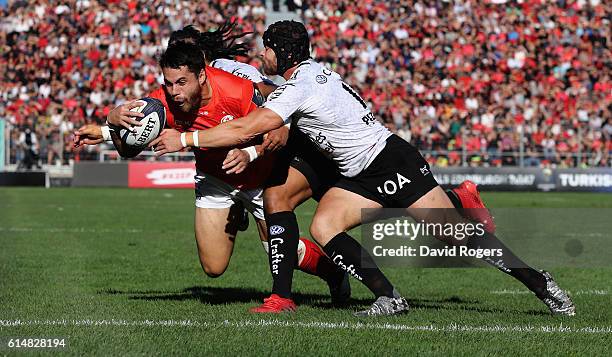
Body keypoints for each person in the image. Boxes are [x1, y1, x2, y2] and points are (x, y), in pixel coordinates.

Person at [151, 21, 575, 317]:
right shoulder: (308, 76)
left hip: (392, 162)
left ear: (281, 53)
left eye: (266, 49)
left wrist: (186, 140)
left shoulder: (297, 88)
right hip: (358, 172)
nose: (262, 55)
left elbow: (253, 125)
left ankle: (541, 284)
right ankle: (389, 297)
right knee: (324, 227)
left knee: (458, 240)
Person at [74, 40, 349, 303]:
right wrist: (110, 126)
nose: (174, 92)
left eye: (182, 82)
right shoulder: (162, 103)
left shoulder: (236, 91)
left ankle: (333, 272)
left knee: (277, 250)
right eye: (168, 83)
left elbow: (276, 130)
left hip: (260, 177)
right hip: (215, 179)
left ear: (203, 77)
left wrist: (256, 148)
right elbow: (128, 149)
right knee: (213, 267)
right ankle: (234, 209)